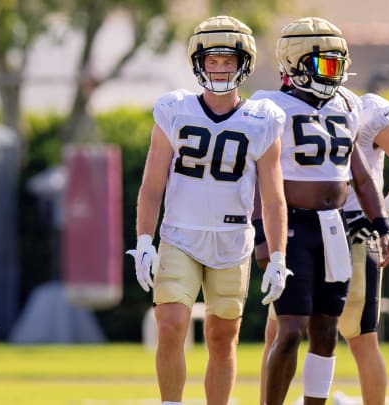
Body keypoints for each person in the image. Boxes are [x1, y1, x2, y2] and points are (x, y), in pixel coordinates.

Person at [125, 16, 290, 405]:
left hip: (232, 242)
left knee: (221, 337)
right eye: (211, 61)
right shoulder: (174, 109)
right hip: (180, 235)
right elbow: (152, 185)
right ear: (198, 63)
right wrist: (145, 241)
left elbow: (273, 197)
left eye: (227, 61)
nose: (219, 68)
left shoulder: (263, 119)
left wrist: (279, 254)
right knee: (170, 324)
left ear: (243, 63)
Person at [251, 17, 389, 405]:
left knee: (327, 328)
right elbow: (256, 178)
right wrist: (263, 235)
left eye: (338, 63)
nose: (334, 73)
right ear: (295, 63)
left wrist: (382, 225)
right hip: (292, 226)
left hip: (334, 227)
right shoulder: (269, 106)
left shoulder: (347, 104)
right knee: (291, 326)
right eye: (325, 64)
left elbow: (362, 178)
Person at [257, 92, 389, 405]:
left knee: (356, 336)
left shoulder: (359, 107)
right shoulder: (283, 105)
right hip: (298, 229)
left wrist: (382, 217)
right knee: (282, 332)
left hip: (349, 230)